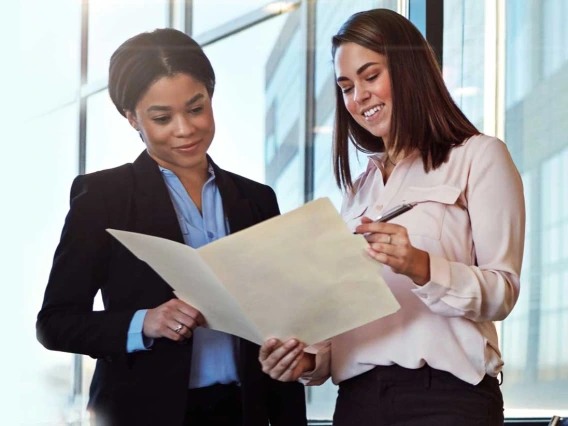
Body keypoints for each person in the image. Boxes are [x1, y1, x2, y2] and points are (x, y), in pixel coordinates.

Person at [258, 9, 525, 426]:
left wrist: (421, 266)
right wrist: (307, 358)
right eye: (346, 87)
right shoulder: (358, 190)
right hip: (358, 401)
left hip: (446, 402)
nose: (358, 96)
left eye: (370, 76)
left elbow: (502, 292)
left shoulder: (478, 156)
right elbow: (347, 314)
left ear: (408, 70)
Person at [36, 28, 306, 426]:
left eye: (196, 109)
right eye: (162, 118)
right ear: (132, 119)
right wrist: (143, 322)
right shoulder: (103, 197)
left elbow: (280, 315)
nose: (185, 129)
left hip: (247, 411)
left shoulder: (258, 199)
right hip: (146, 412)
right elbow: (55, 323)